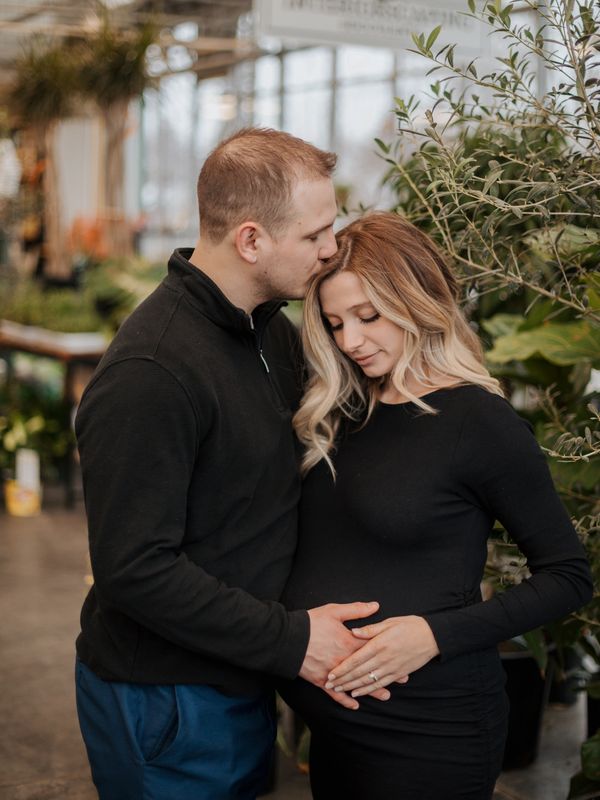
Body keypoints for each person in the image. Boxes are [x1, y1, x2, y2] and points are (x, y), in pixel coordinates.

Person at [74, 128, 389, 800]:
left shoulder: (267, 327)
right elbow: (134, 569)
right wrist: (293, 641)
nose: (332, 249)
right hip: (167, 698)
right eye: (315, 235)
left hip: (238, 671)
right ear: (251, 240)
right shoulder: (151, 373)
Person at [279, 211, 593, 800]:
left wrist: (433, 635)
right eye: (335, 322)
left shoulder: (479, 423)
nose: (351, 341)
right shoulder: (343, 409)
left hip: (430, 733)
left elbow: (569, 578)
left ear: (419, 300)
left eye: (369, 317)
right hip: (335, 728)